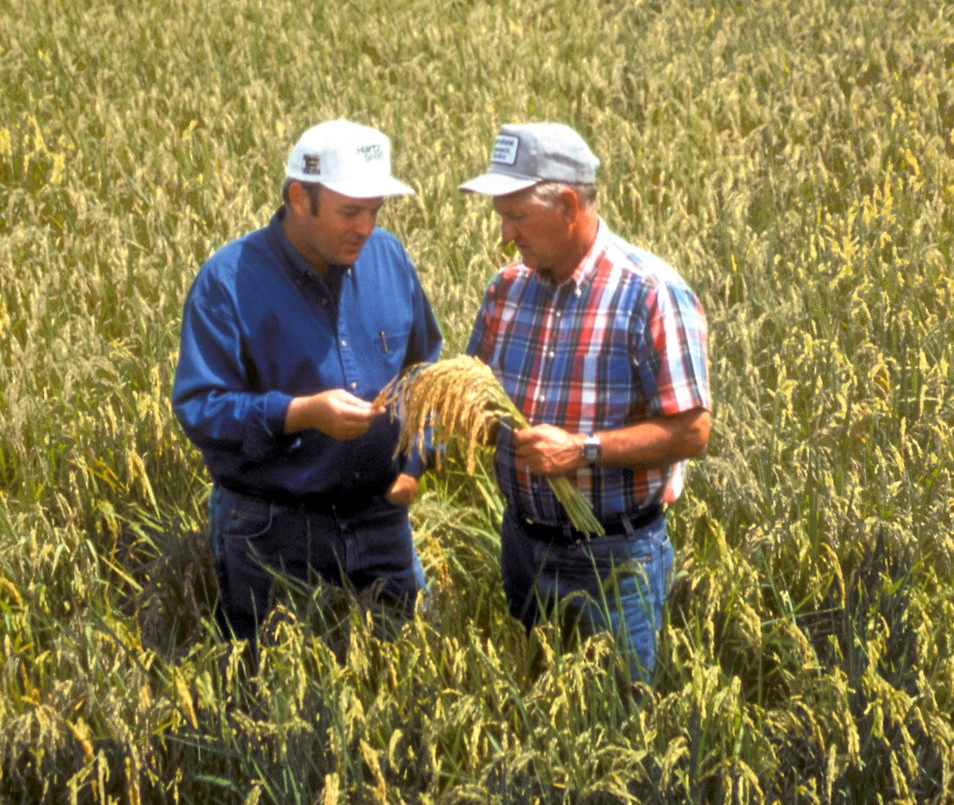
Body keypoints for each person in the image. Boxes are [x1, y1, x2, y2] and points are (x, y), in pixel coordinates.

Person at [172, 119, 442, 644]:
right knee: (273, 696)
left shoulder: (389, 258)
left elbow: (426, 371)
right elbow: (200, 407)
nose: (366, 227)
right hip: (272, 529)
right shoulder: (227, 282)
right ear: (300, 198)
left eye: (375, 211)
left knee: (403, 682)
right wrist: (300, 413)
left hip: (381, 518)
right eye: (350, 212)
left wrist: (415, 464)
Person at [460, 122, 710, 681]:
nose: (504, 234)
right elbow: (477, 396)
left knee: (617, 726)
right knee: (534, 715)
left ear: (568, 205)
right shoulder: (506, 289)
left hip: (616, 563)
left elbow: (692, 431)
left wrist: (581, 451)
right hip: (523, 549)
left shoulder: (650, 293)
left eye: (516, 216)